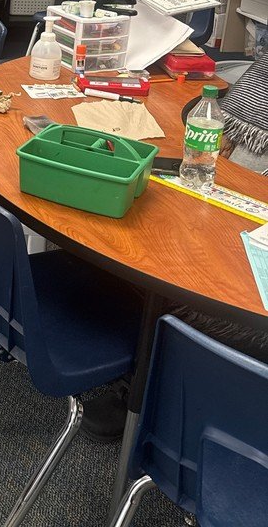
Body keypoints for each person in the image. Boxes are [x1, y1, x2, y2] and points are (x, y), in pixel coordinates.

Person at [81, 57, 268, 442]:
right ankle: (149, 370)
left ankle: (147, 385)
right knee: (145, 236)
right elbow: (234, 111)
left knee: (184, 285)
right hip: (232, 185)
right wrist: (223, 134)